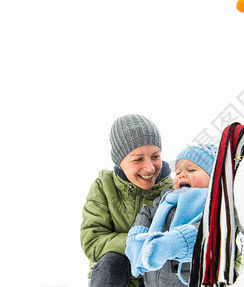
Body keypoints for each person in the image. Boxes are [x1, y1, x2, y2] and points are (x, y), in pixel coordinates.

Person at [80, 114, 173, 287]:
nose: (150, 167)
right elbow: (92, 240)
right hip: (114, 278)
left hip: (156, 279)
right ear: (119, 162)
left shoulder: (173, 191)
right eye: (138, 159)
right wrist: (138, 243)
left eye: (155, 156)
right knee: (113, 260)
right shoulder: (104, 186)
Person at [125, 144, 218, 286]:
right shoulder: (166, 199)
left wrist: (173, 243)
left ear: (213, 178)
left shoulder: (209, 205)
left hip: (183, 280)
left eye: (191, 170)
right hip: (152, 282)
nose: (182, 175)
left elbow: (204, 233)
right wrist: (136, 238)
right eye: (178, 172)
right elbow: (146, 214)